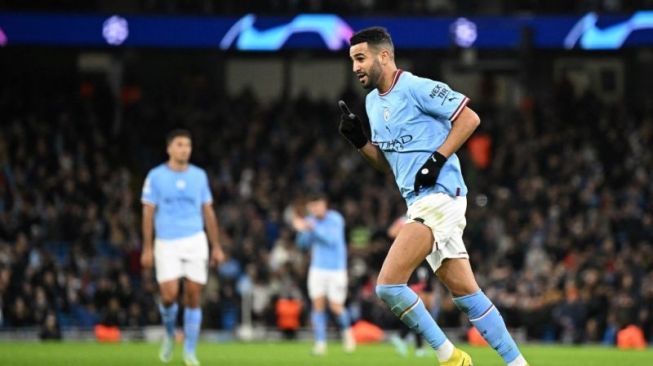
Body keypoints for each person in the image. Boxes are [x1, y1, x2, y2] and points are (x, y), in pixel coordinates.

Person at [338, 27, 529, 366]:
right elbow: (388, 166)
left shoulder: (416, 87)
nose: (355, 67)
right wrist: (360, 143)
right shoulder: (371, 103)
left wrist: (437, 159)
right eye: (352, 60)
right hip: (420, 202)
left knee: (388, 286)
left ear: (384, 56)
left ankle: (450, 357)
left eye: (360, 58)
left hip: (440, 196)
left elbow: (469, 118)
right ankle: (518, 364)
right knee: (467, 295)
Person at [141, 129, 225, 366]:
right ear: (169, 148)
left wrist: (216, 245)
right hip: (166, 241)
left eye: (187, 145)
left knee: (194, 295)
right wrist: (147, 248)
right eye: (179, 145)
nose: (184, 149)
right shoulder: (155, 176)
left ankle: (190, 351)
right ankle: (169, 334)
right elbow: (148, 212)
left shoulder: (199, 176)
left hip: (195, 239)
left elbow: (208, 211)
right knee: (169, 295)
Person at [291, 193, 356, 355]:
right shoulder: (311, 221)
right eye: (312, 206)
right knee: (317, 306)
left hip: (336, 269)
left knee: (336, 307)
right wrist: (301, 230)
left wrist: (311, 227)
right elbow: (302, 244)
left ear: (325, 205)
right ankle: (320, 344)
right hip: (317, 269)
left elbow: (331, 240)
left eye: (318, 205)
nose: (315, 209)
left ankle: (347, 335)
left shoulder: (336, 219)